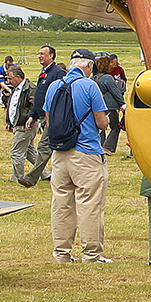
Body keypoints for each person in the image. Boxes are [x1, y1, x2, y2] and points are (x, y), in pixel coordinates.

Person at [44, 48, 110, 263]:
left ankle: (61, 253)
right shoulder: (89, 85)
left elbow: (48, 120)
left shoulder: (54, 86)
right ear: (89, 66)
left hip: (59, 153)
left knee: (61, 204)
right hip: (86, 152)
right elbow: (101, 122)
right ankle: (91, 254)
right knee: (89, 203)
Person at [19, 45, 65, 186]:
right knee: (51, 147)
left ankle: (31, 178)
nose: (39, 56)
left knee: (45, 146)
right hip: (45, 115)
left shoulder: (58, 73)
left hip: (53, 116)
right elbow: (40, 97)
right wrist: (33, 115)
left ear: (51, 56)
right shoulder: (45, 73)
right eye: (38, 53)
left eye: (42, 54)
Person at [3, 65, 35, 182]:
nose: (8, 81)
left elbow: (35, 106)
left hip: (25, 125)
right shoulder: (15, 89)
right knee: (29, 152)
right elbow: (12, 106)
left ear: (19, 77)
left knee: (17, 152)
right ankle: (46, 174)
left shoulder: (30, 89)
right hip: (17, 124)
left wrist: (31, 118)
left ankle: (17, 177)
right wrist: (9, 121)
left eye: (10, 79)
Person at [93, 54, 126, 154]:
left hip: (98, 106)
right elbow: (115, 92)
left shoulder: (94, 78)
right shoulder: (108, 78)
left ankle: (100, 145)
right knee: (115, 127)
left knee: (100, 127)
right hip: (110, 106)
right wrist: (122, 103)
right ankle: (108, 147)